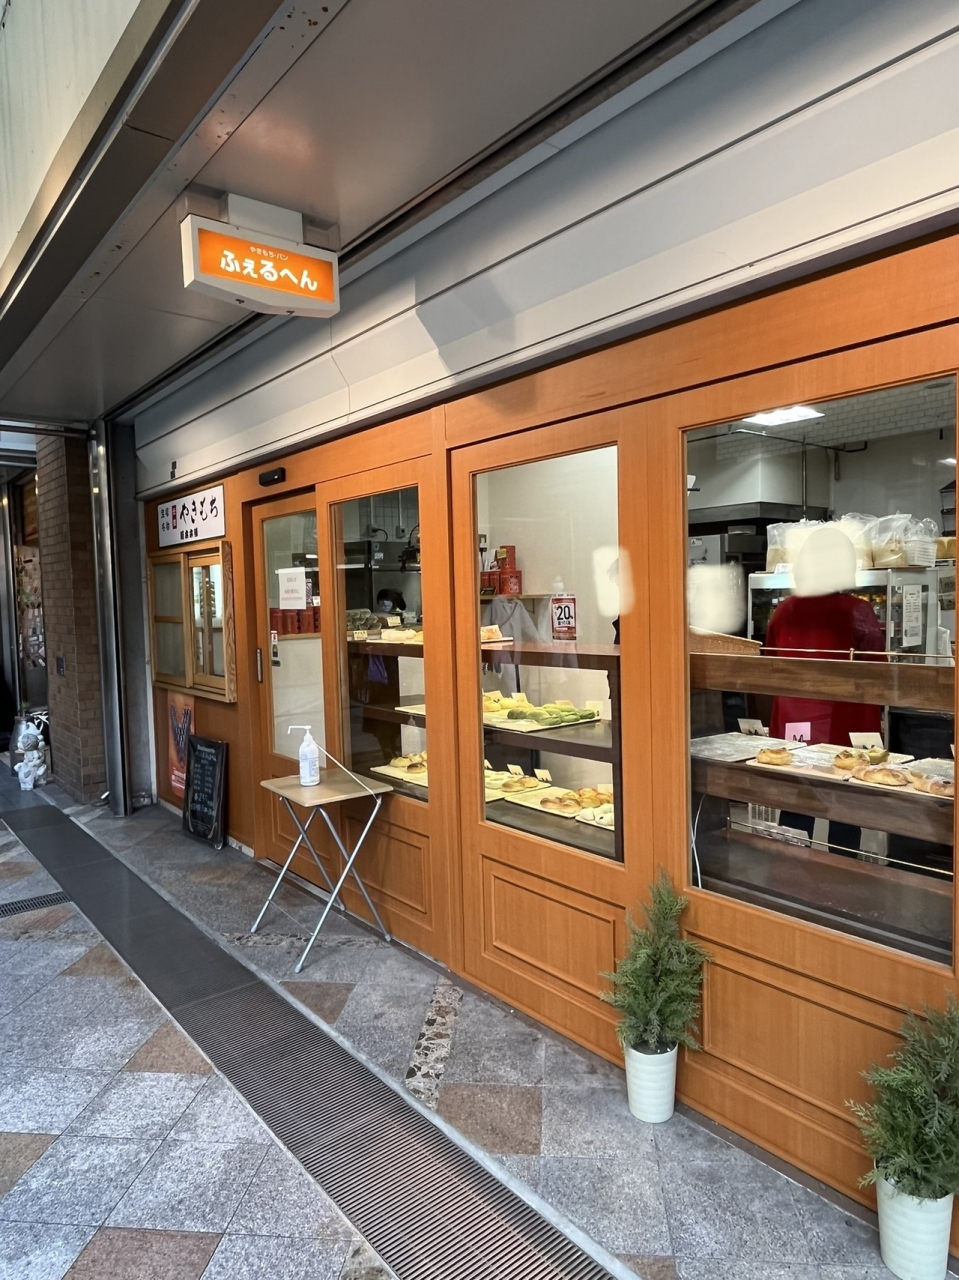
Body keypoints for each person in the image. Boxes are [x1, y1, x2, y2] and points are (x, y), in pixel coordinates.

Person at [764, 526, 885, 857]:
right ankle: (841, 876)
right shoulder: (857, 611)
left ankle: (790, 868)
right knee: (844, 809)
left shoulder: (784, 610)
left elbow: (770, 666)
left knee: (796, 805)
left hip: (793, 725)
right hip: (845, 726)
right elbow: (879, 671)